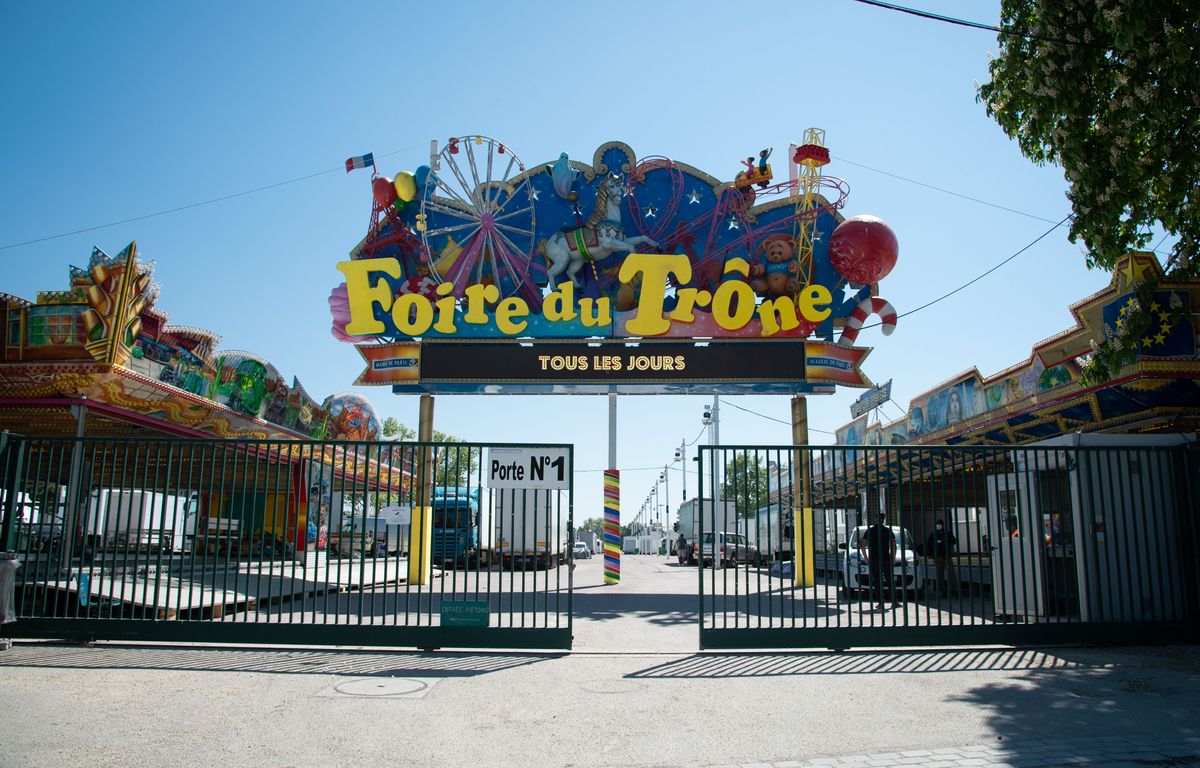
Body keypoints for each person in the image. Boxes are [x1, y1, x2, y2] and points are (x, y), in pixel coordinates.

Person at [860, 512, 897, 608]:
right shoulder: (887, 530)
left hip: (874, 559)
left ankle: (881, 602)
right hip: (885, 559)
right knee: (889, 580)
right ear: (883, 520)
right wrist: (893, 559)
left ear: (876, 519)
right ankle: (894, 602)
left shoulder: (870, 531)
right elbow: (893, 545)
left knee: (877, 581)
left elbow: (863, 545)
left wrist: (866, 558)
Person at [925, 519, 960, 598]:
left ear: (942, 525)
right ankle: (943, 592)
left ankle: (955, 591)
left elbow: (954, 541)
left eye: (939, 524)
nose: (938, 526)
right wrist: (930, 554)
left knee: (951, 574)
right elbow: (928, 545)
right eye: (937, 524)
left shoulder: (947, 534)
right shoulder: (933, 535)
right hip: (938, 557)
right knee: (940, 576)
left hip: (947, 556)